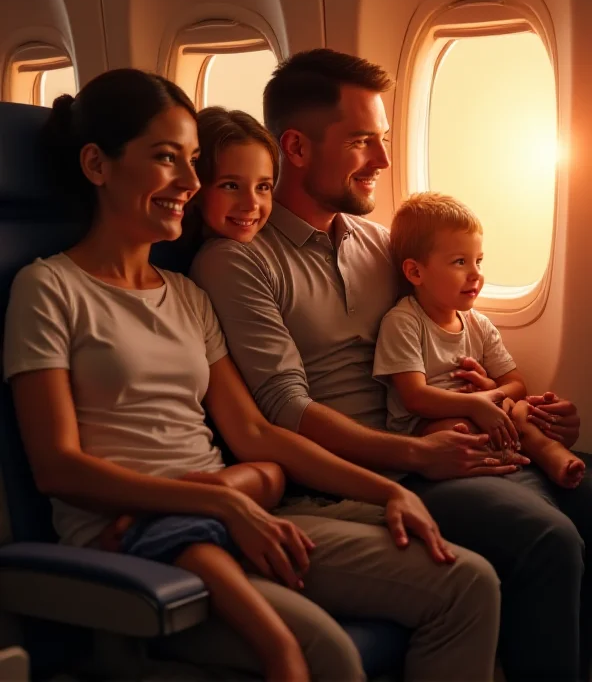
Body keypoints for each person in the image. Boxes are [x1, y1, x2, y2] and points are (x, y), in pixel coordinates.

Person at [2, 69, 501, 682]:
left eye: (191, 162)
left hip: (228, 511)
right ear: (97, 165)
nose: (190, 182)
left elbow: (257, 435)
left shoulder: (186, 295)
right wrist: (219, 500)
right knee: (326, 656)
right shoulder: (48, 288)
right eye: (167, 159)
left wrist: (392, 487)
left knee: (467, 585)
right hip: (131, 545)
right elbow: (57, 466)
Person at [192, 48, 590, 682]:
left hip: (426, 449)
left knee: (584, 490)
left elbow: (441, 343)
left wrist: (514, 405)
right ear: (295, 147)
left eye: (382, 140)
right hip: (344, 479)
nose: (382, 160)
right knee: (548, 540)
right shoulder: (240, 261)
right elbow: (284, 410)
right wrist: (415, 458)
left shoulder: (382, 246)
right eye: (362, 142)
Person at [374, 191, 585, 488]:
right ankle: (509, 463)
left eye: (479, 261)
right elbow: (416, 398)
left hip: (481, 407)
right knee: (461, 429)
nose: (476, 274)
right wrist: (476, 404)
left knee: (524, 411)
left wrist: (493, 393)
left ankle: (554, 456)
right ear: (415, 271)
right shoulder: (403, 322)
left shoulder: (479, 324)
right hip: (424, 425)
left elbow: (516, 383)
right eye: (460, 262)